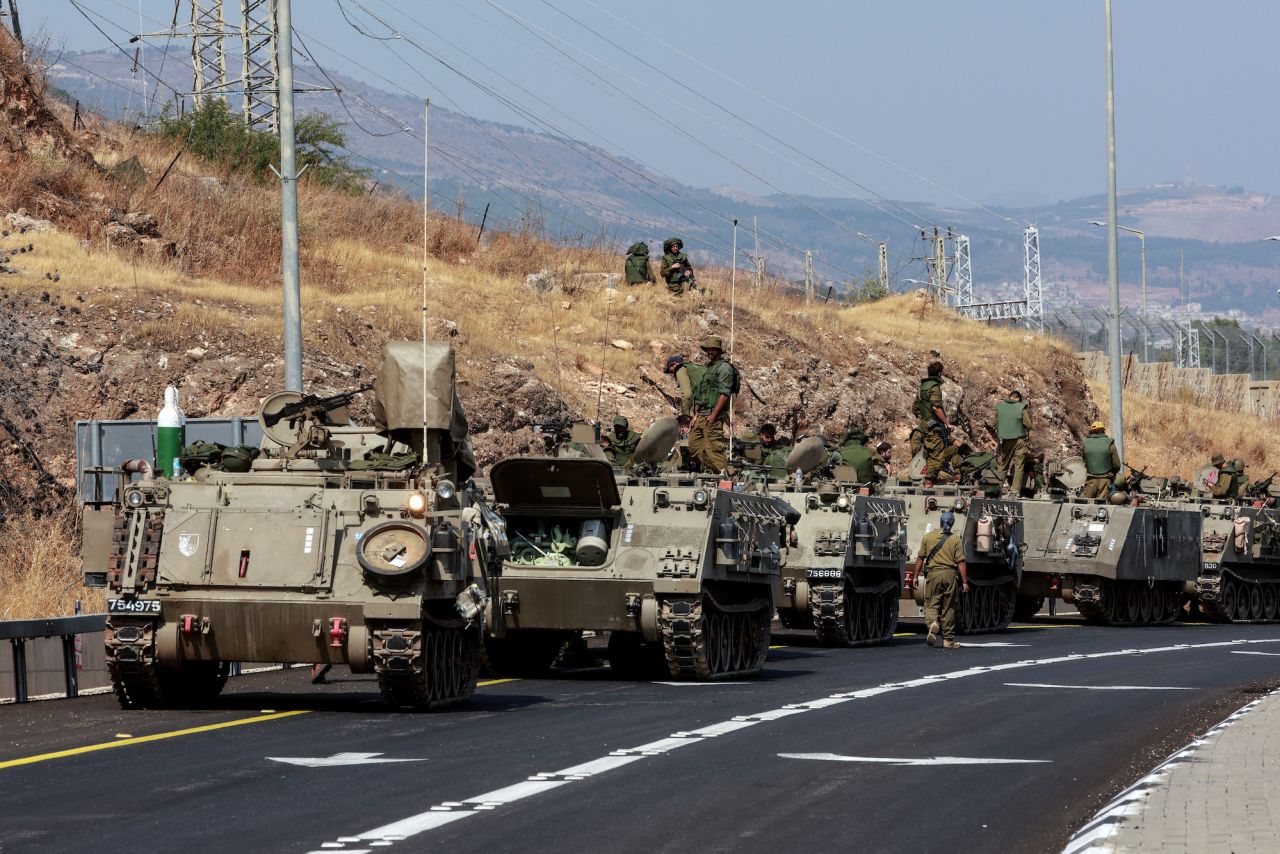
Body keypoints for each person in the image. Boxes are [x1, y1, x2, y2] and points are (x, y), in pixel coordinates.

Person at [914, 509, 968, 650]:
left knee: (931, 603)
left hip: (933, 574)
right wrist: (965, 581)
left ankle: (932, 623)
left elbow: (920, 558)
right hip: (950, 575)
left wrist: (915, 576)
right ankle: (948, 640)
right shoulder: (955, 539)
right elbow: (961, 562)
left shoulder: (928, 537)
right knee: (948, 607)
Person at [687, 336, 738, 473]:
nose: (709, 352)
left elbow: (724, 394)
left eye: (712, 349)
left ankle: (725, 476)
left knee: (713, 448)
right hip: (702, 413)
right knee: (694, 445)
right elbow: (704, 394)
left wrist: (714, 415)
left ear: (719, 351)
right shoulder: (710, 368)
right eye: (707, 349)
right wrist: (696, 415)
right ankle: (711, 471)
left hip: (713, 415)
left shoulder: (724, 368)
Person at [915, 360, 957, 486]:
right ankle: (929, 483)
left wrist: (924, 418)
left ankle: (929, 481)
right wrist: (947, 423)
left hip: (924, 427)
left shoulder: (921, 387)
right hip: (933, 427)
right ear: (939, 374)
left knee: (930, 453)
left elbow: (915, 408)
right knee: (937, 455)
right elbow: (936, 407)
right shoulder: (934, 386)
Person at [994, 390, 1031, 495]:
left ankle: (997, 487)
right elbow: (1028, 424)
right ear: (1018, 399)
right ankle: (1014, 491)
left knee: (1003, 464)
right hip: (1020, 440)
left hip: (1005, 440)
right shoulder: (1021, 408)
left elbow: (994, 423)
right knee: (1019, 466)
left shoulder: (1000, 407)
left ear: (1010, 397)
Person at [664, 354, 705, 431]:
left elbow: (687, 395)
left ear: (674, 364)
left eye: (671, 370)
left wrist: (686, 417)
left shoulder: (679, 369)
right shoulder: (693, 368)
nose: (673, 374)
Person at [1081, 421, 1121, 499]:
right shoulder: (1110, 443)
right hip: (1105, 480)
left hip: (1091, 480)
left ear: (1091, 431)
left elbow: (1084, 460)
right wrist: (1113, 473)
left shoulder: (1085, 443)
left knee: (1085, 503)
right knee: (1102, 505)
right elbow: (1116, 464)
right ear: (1103, 431)